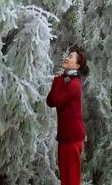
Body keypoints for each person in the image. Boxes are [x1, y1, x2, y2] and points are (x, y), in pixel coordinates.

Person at [46, 45, 89, 185]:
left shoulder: (74, 84)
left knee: (71, 179)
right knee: (66, 177)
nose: (66, 58)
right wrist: (58, 81)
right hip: (67, 137)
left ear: (77, 65)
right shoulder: (67, 80)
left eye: (71, 57)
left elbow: (55, 100)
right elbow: (50, 101)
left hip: (72, 137)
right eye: (67, 55)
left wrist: (57, 81)